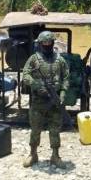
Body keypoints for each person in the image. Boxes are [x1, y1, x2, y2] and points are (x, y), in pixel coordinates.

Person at [22, 31, 70, 168]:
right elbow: (25, 74)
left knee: (55, 129)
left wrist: (63, 94)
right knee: (35, 129)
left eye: (49, 43)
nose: (47, 45)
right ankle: (33, 154)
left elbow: (66, 78)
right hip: (38, 101)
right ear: (40, 44)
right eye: (45, 43)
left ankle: (55, 155)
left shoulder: (60, 60)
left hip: (55, 101)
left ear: (53, 43)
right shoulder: (34, 59)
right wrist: (36, 85)